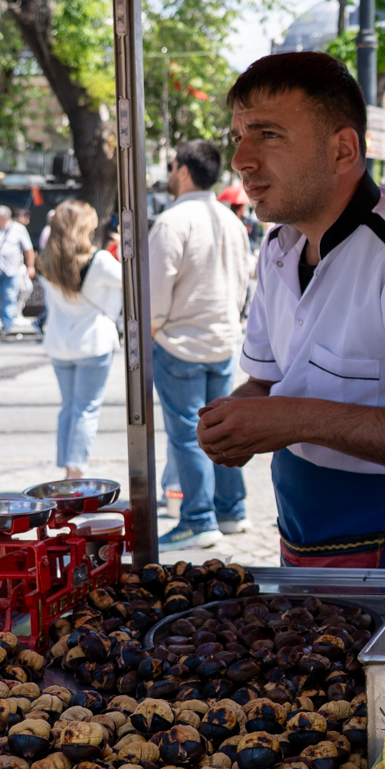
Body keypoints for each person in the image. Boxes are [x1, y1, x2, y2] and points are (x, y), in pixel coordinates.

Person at [196, 51, 385, 570]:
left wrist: (295, 419)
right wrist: (238, 419)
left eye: (267, 135)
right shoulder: (277, 247)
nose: (242, 158)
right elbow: (267, 382)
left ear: (342, 150)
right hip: (301, 523)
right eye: (237, 136)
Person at [146, 138, 253, 550]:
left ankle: (197, 518)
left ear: (183, 170)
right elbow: (244, 280)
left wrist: (153, 329)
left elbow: (156, 287)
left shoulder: (172, 221)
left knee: (188, 435)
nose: (169, 173)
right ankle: (231, 510)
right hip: (222, 339)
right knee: (223, 430)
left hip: (180, 342)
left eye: (172, 166)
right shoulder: (230, 219)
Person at [37, 200, 123, 479]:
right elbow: (131, 280)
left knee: (68, 408)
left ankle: (66, 470)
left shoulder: (47, 261)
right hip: (93, 343)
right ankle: (76, 472)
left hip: (59, 344)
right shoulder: (99, 262)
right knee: (86, 410)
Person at [0, 205, 35, 337]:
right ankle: (3, 318)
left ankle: (7, 324)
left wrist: (30, 266)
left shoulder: (19, 229)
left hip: (12, 269)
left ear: (5, 217)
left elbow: (28, 249)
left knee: (10, 296)